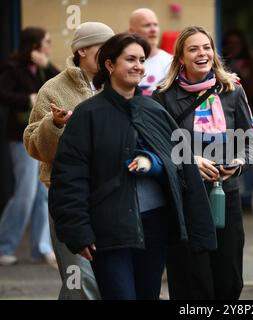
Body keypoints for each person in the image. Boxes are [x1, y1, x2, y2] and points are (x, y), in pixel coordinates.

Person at [48, 33, 216, 300]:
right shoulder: (88, 114)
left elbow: (179, 164)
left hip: (155, 226)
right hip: (109, 229)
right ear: (110, 65)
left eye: (141, 59)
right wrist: (77, 230)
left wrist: (155, 165)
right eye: (130, 59)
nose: (138, 65)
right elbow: (70, 176)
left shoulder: (154, 110)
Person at [152, 26, 253, 300]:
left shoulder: (232, 90)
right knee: (193, 281)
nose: (202, 53)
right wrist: (190, 161)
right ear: (180, 58)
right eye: (193, 49)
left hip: (226, 195)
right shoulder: (163, 96)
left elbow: (252, 141)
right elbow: (159, 147)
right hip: (187, 199)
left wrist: (238, 162)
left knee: (229, 279)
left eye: (206, 47)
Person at [24, 22, 115, 300]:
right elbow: (34, 145)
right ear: (82, 50)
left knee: (111, 278)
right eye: (103, 48)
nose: (110, 56)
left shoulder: (118, 85)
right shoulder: (52, 89)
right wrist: (55, 124)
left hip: (114, 197)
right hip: (69, 200)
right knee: (79, 280)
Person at [0, 27, 59, 266]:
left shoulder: (43, 67)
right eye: (46, 41)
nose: (49, 44)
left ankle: (41, 248)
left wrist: (46, 64)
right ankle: (5, 245)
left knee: (43, 194)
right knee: (25, 194)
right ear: (34, 44)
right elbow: (2, 94)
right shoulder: (13, 68)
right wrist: (28, 99)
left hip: (42, 136)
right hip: (21, 137)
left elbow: (61, 83)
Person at [222, 29, 253, 212]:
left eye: (237, 43)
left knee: (247, 154)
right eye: (230, 43)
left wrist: (244, 75)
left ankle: (247, 198)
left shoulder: (251, 63)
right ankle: (234, 194)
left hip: (249, 113)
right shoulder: (222, 64)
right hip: (224, 118)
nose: (233, 47)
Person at [129, 8, 172, 96]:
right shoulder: (123, 63)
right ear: (132, 31)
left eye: (155, 25)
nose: (153, 30)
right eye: (147, 25)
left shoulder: (171, 61)